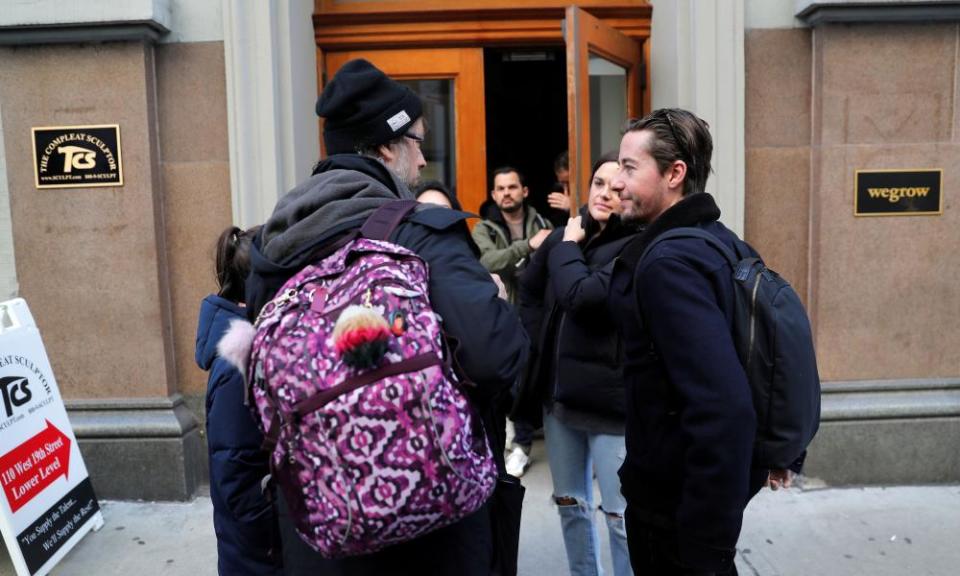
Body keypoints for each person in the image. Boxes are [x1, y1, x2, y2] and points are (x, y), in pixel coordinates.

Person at [244, 58, 528, 576]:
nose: (422, 162)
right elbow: (495, 358)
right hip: (434, 529)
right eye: (417, 142)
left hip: (321, 529)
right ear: (385, 147)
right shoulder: (421, 231)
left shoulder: (271, 249)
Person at [608, 108, 768, 575]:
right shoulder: (719, 241)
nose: (616, 180)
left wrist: (704, 539)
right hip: (682, 509)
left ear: (675, 173)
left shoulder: (669, 265)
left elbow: (724, 408)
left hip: (675, 521)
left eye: (629, 167)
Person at [517, 151, 637, 576]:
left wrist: (567, 246)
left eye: (617, 187)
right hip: (560, 402)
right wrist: (537, 343)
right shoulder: (563, 236)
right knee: (571, 504)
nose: (606, 193)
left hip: (611, 406)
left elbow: (583, 298)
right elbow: (528, 291)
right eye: (599, 184)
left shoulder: (632, 247)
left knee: (621, 518)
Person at [195, 225, 281, 576]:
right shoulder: (237, 364)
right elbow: (238, 478)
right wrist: (286, 526)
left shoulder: (251, 345)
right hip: (259, 558)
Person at [470, 166, 551, 477]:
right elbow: (488, 262)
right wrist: (528, 247)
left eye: (512, 187)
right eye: (500, 188)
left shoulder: (542, 223)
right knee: (512, 379)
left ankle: (525, 439)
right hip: (501, 313)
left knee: (534, 377)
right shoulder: (484, 229)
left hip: (535, 313)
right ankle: (517, 442)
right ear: (493, 194)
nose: (506, 193)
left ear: (524, 191)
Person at [544, 150, 572, 227]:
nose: (565, 188)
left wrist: (572, 207)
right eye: (562, 183)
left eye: (569, 183)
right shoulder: (556, 193)